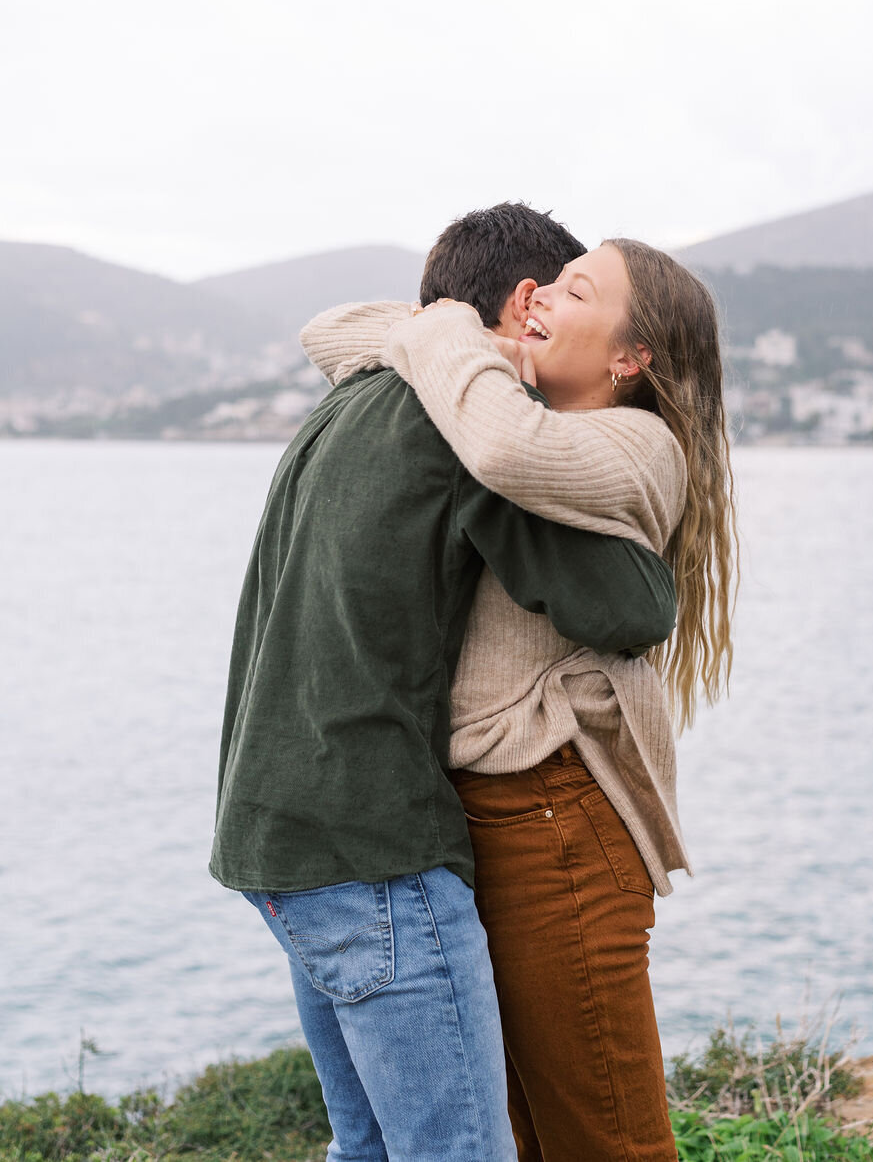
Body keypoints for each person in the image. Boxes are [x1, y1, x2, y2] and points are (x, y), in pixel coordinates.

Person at [209, 206, 680, 1162]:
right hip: (375, 840)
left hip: (273, 841)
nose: (549, 313)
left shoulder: (347, 403)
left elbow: (335, 328)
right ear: (518, 304)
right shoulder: (463, 422)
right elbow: (628, 608)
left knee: (371, 1148)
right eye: (549, 296)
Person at [301, 237, 736, 1161]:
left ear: (631, 358)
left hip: (558, 820)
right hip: (481, 823)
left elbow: (503, 447)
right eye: (537, 288)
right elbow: (330, 331)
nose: (538, 299)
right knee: (526, 1137)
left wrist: (457, 337)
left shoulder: (633, 443)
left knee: (606, 1139)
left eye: (575, 290)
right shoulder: (503, 397)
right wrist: (476, 341)